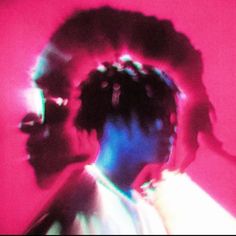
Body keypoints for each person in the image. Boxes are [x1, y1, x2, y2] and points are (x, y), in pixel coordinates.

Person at [19, 6, 233, 235]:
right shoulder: (75, 210)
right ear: (112, 116)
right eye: (156, 113)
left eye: (171, 116)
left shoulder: (146, 211)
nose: (170, 128)